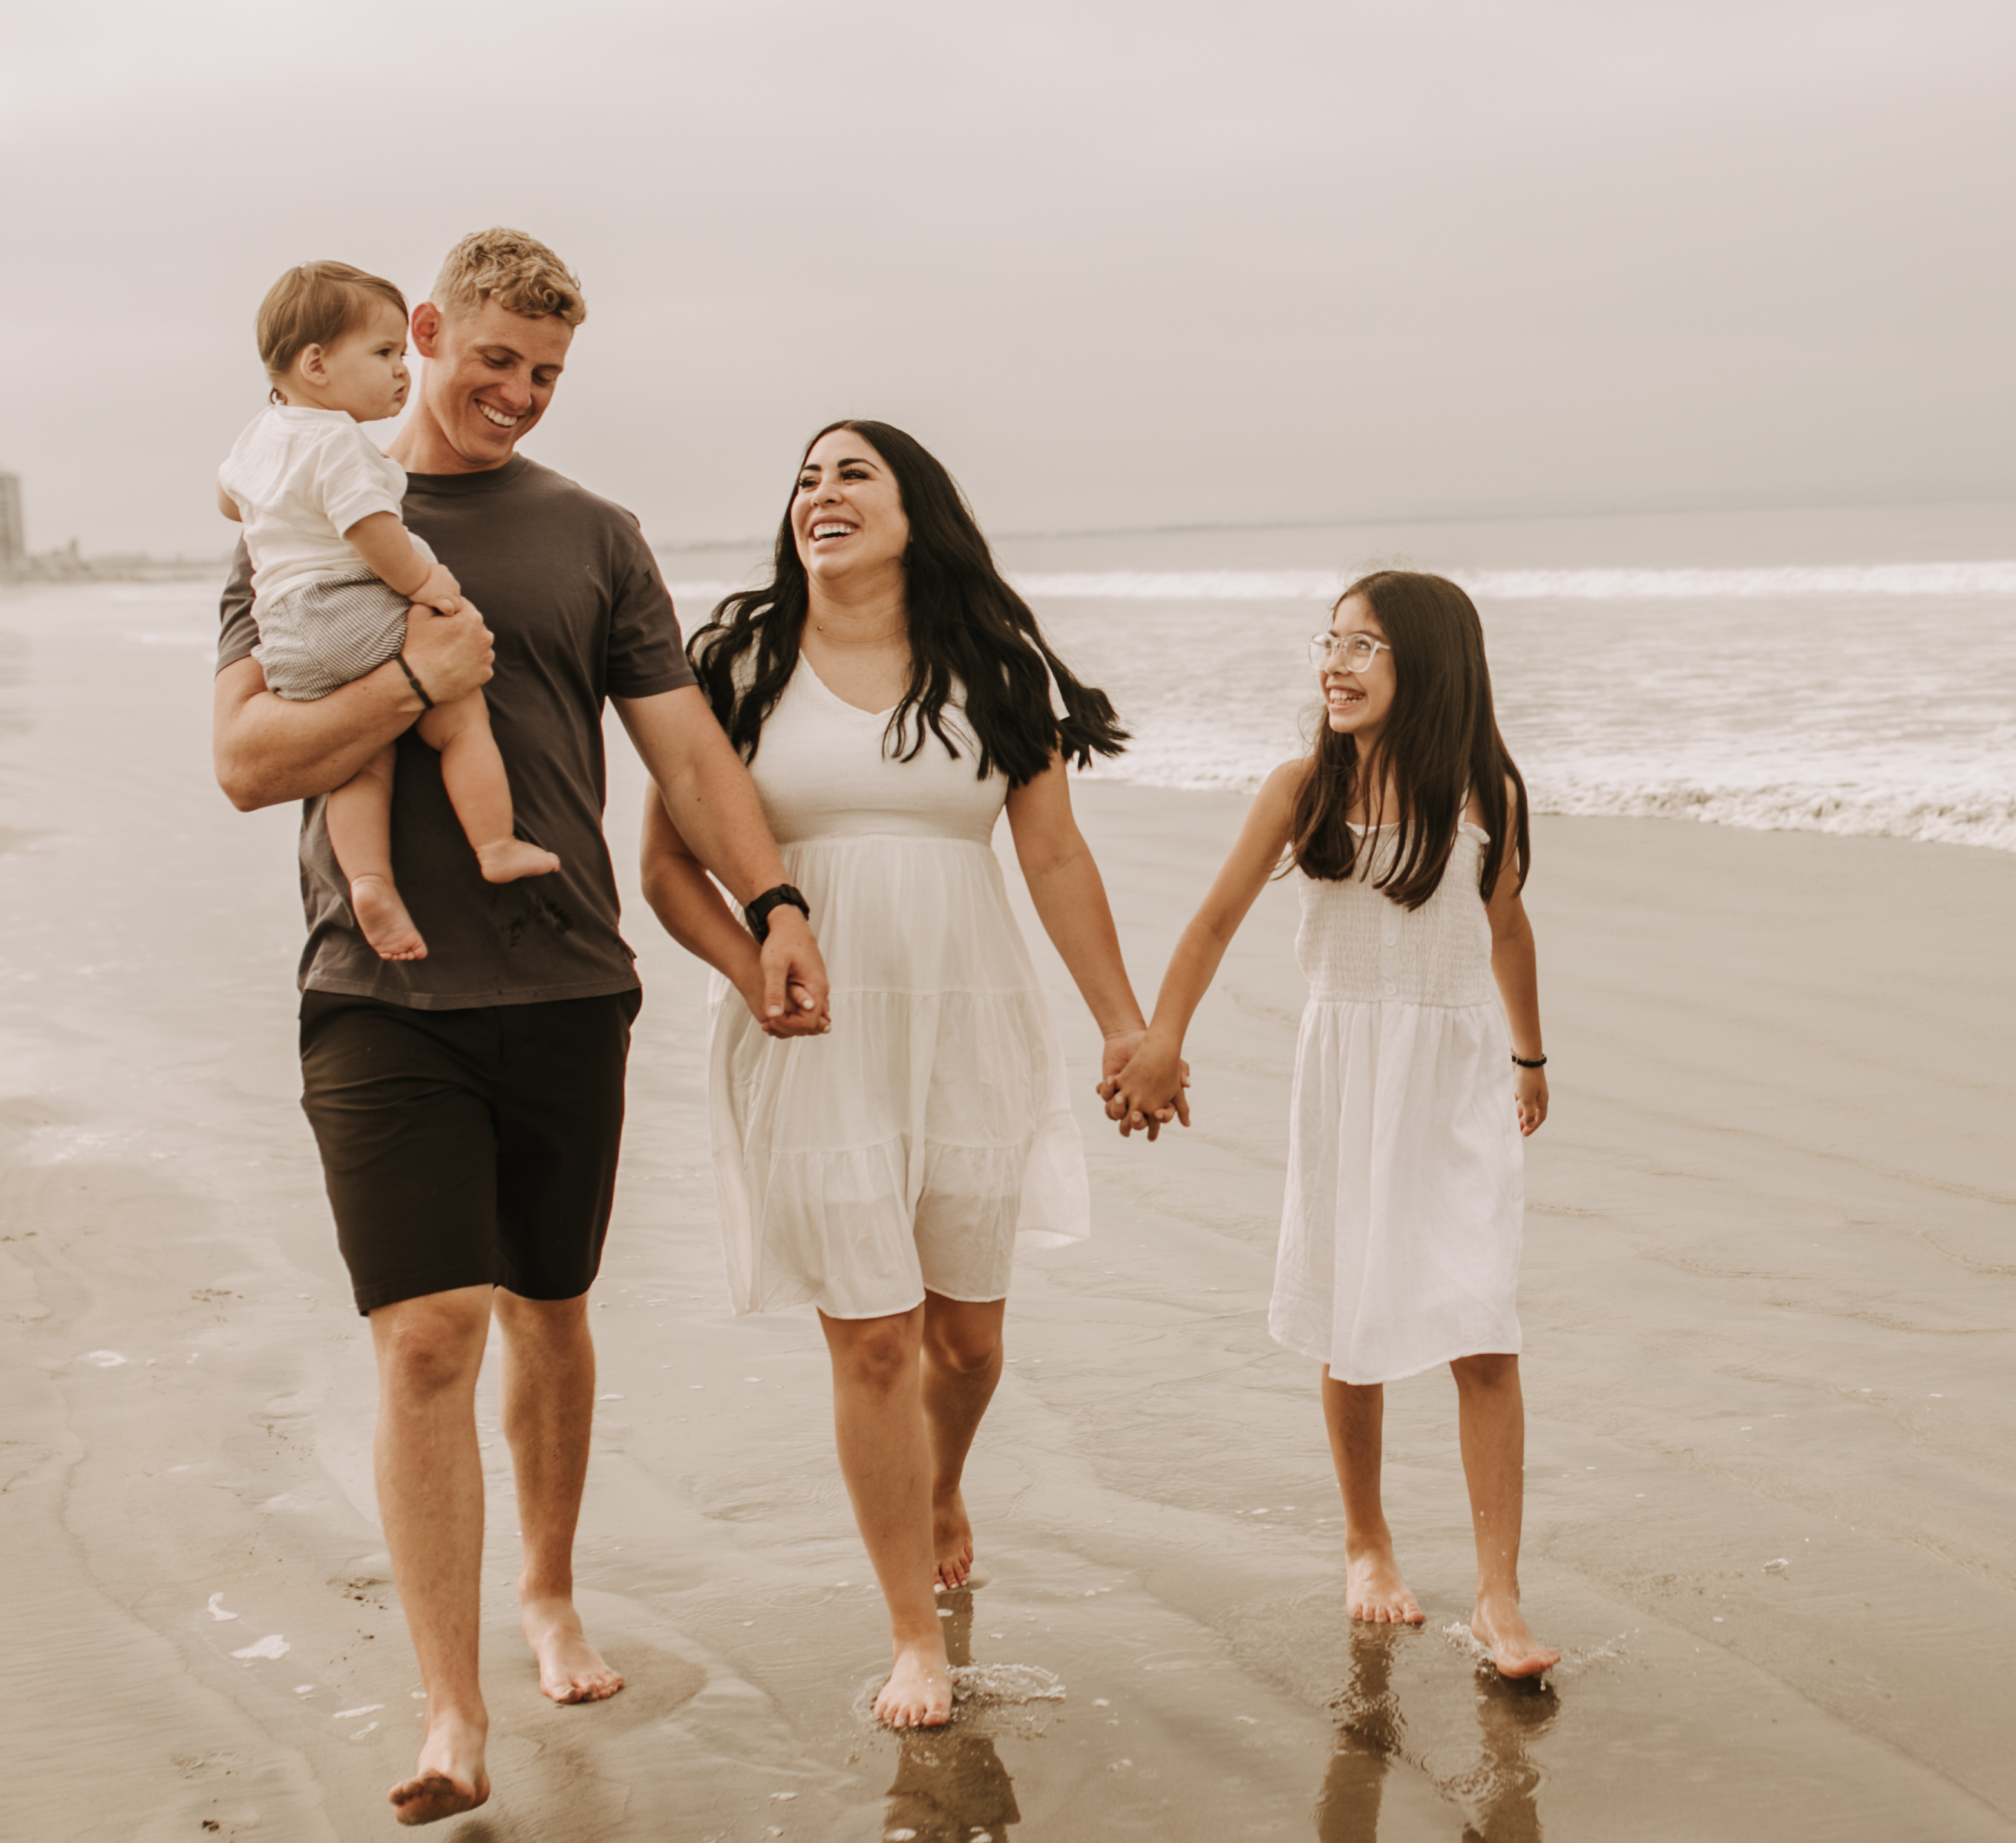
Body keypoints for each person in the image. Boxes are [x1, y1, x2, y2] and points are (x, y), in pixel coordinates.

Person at [211, 228, 832, 1826]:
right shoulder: (305, 515)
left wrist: (774, 907)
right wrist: (416, 681)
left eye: (548, 374)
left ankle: (548, 1588)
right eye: (494, 360)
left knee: (549, 1305)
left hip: (564, 982)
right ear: (420, 336)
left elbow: (688, 753)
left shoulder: (597, 537)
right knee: (427, 1337)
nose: (519, 395)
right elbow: (247, 761)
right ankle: (446, 1712)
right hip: (377, 993)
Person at [645, 419, 1163, 1732]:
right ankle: (910, 1637)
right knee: (873, 1340)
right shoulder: (737, 662)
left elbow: (1052, 860)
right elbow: (664, 866)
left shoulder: (992, 667)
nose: (820, 493)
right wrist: (748, 968)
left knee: (967, 1341)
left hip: (967, 1023)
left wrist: (1124, 1021)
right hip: (809, 1038)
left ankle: (940, 1485)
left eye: (851, 474)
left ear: (913, 510)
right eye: (806, 478)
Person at [1108, 569, 1559, 1679]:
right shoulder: (1301, 788)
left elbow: (1507, 929)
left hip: (1454, 1082)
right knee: (1354, 1319)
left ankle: (1500, 1597)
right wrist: (1161, 1039)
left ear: (1433, 667)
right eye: (1332, 641)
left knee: (1481, 1324)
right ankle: (1367, 1542)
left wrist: (1530, 1052)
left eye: (1366, 647)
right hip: (1347, 1075)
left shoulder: (1480, 795)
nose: (1337, 664)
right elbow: (1213, 923)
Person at [215, 258, 561, 964]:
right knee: (460, 713)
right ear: (316, 364)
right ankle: (495, 844)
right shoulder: (338, 442)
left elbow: (231, 501)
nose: (400, 371)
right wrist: (429, 584)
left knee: (358, 759)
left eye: (401, 353)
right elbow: (374, 532)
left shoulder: (259, 435)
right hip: (346, 607)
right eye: (382, 353)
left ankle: (370, 883)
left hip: (288, 633)